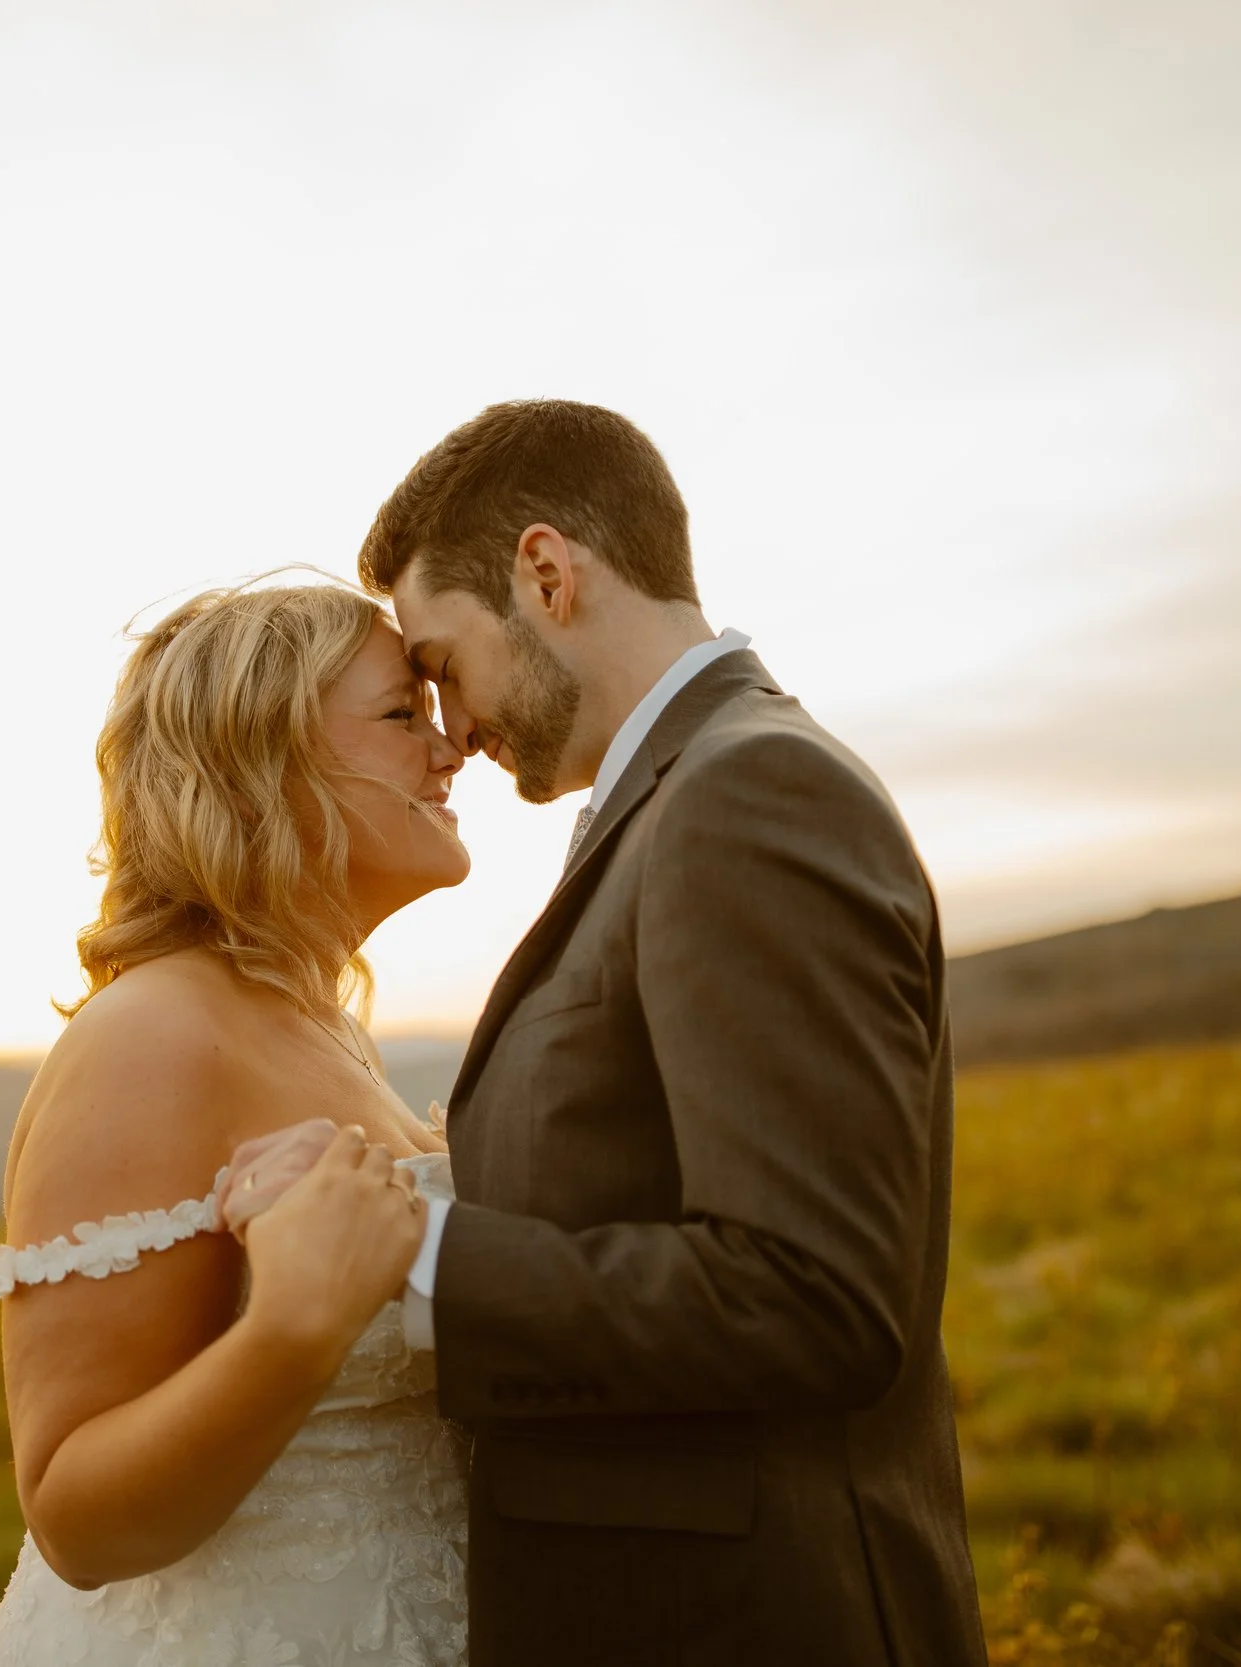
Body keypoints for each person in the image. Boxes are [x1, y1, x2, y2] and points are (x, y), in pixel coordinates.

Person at [223, 400, 990, 1665]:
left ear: (545, 573)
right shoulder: (683, 792)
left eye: (444, 660)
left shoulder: (748, 792)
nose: (451, 725)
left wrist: (419, 1245)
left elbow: (815, 1296)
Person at [0, 581, 473, 1666]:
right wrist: (294, 1322)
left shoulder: (323, 1029)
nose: (448, 749)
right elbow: (73, 1513)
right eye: (400, 715)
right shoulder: (152, 1033)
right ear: (263, 761)